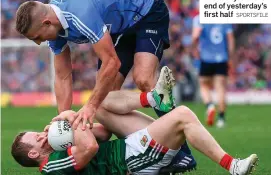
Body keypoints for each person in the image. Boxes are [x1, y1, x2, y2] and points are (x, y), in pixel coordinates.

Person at [15, 0, 196, 169]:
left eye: (36, 37)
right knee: (108, 100)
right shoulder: (54, 26)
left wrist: (90, 106)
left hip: (146, 12)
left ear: (46, 23)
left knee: (143, 80)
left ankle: (182, 153)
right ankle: (143, 155)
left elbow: (112, 62)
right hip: (117, 27)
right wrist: (66, 125)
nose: (37, 43)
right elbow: (62, 76)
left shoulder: (79, 14)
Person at [11, 67, 258, 175]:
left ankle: (154, 98)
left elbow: (102, 134)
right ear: (33, 154)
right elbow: (90, 147)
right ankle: (232, 166)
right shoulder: (51, 166)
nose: (42, 134)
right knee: (183, 115)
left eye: (38, 133)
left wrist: (78, 118)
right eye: (37, 138)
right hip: (133, 162)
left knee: (99, 102)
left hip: (130, 147)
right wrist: (68, 118)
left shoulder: (59, 146)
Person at [192, 15, 235, 128]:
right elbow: (230, 40)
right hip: (222, 59)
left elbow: (195, 36)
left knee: (204, 85)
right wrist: (230, 57)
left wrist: (195, 49)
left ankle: (210, 106)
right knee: (220, 88)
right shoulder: (224, 19)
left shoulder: (199, 18)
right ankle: (221, 119)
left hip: (206, 59)